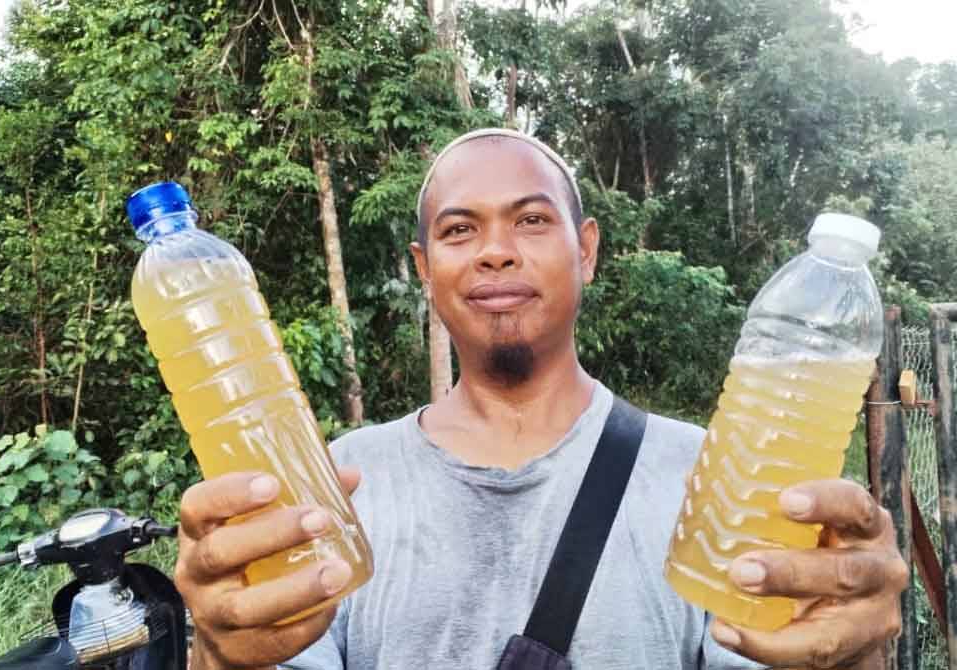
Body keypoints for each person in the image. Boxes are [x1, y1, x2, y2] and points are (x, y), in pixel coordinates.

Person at [175, 129, 908, 670]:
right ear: (426, 271)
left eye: (531, 220)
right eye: (460, 230)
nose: (496, 251)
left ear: (585, 250)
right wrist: (217, 652)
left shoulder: (714, 480)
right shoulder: (330, 491)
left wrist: (849, 656)